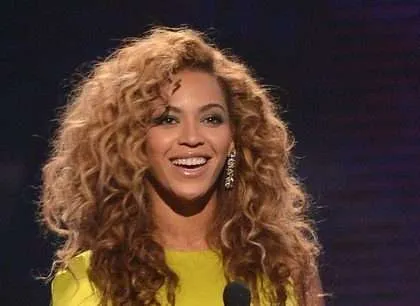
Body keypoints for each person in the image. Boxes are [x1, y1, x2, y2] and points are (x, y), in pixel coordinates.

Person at [40, 27, 324, 306]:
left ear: (234, 140)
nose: (192, 138)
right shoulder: (92, 281)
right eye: (167, 119)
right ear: (132, 140)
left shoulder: (282, 267)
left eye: (211, 119)